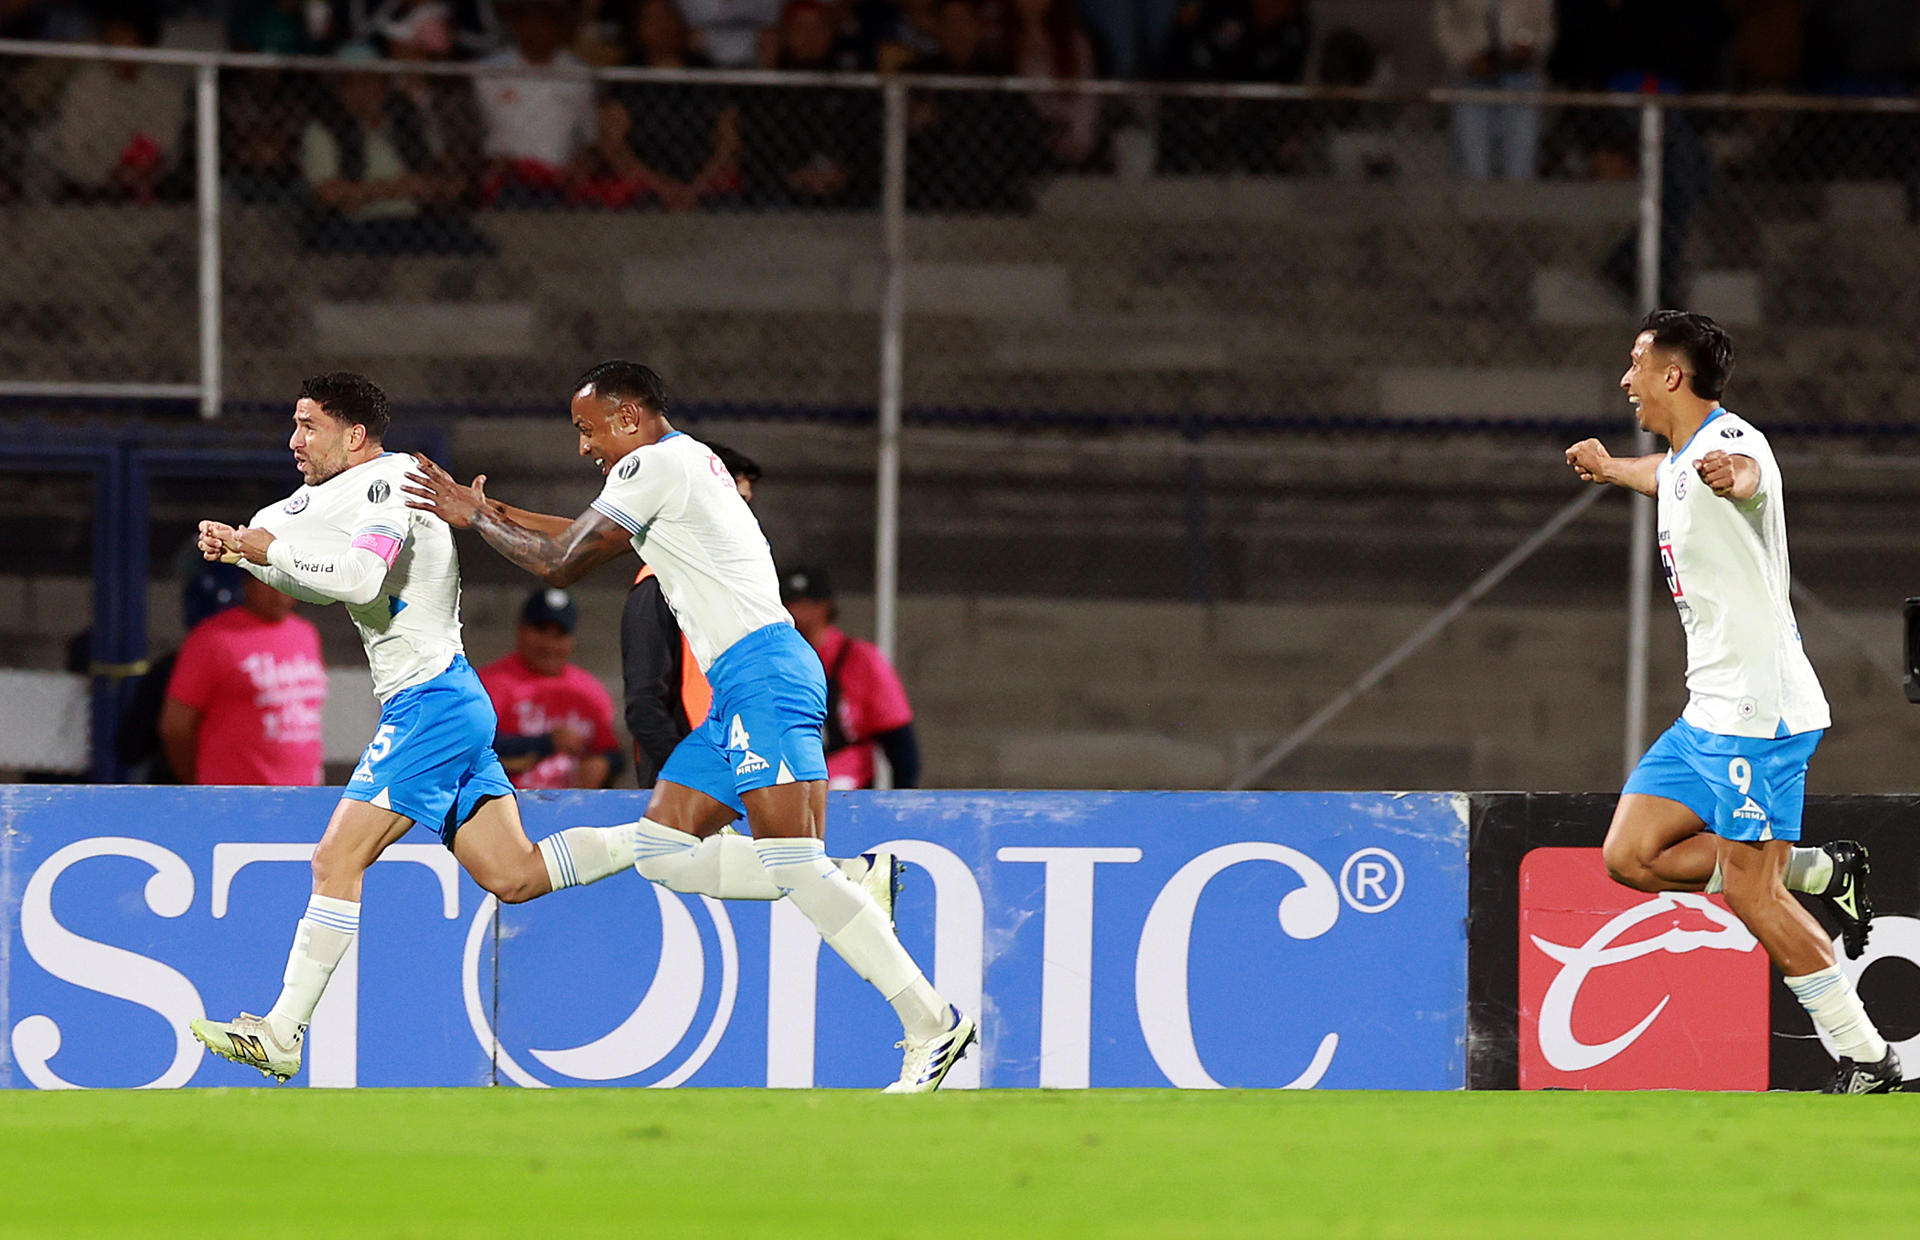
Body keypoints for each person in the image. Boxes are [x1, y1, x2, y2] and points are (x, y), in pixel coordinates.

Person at [182, 372, 892, 1083]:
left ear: (354, 434)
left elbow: (361, 579)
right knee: (515, 876)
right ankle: (834, 878)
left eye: (308, 426)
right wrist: (247, 548)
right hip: (445, 701)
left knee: (336, 861)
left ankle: (282, 1031)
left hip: (429, 704)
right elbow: (311, 569)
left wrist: (264, 550)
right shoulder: (329, 494)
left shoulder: (391, 483)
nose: (294, 439)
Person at [403, 359, 974, 1092]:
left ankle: (931, 1022)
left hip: (765, 676)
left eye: (588, 429)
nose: (584, 448)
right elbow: (577, 536)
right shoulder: (680, 464)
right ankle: (852, 883)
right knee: (667, 853)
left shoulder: (652, 464)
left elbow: (561, 564)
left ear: (630, 418)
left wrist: (475, 518)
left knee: (793, 863)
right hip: (743, 689)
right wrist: (487, 510)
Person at [1564, 311, 1898, 1095]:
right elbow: (1671, 475)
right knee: (1630, 856)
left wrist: (1731, 480)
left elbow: (1738, 475)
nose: (1626, 379)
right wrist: (1617, 467)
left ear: (1672, 376)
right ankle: (1821, 869)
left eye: (1636, 364)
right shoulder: (1682, 457)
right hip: (1704, 715)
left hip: (1760, 716)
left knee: (1755, 895)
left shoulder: (1733, 447)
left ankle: (1867, 1057)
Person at [622, 441, 760, 787]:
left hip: (737, 779)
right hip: (689, 793)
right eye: (736, 503)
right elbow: (645, 707)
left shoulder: (732, 588)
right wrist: (695, 779)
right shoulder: (657, 587)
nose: (747, 518)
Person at [160, 575, 329, 787]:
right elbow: (176, 726)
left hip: (302, 792)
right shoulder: (212, 638)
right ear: (247, 583)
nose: (279, 592)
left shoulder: (306, 634)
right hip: (234, 794)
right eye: (268, 581)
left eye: (287, 581)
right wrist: (200, 782)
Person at [780, 566, 920, 791]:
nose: (795, 613)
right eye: (787, 605)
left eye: (805, 605)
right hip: (784, 781)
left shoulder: (860, 659)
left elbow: (899, 742)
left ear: (825, 607)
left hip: (846, 783)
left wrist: (899, 805)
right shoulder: (772, 663)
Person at [480, 587, 622, 789]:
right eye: (540, 631)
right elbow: (472, 747)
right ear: (521, 630)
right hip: (508, 805)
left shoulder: (589, 690)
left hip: (574, 808)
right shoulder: (490, 683)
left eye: (559, 635)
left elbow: (611, 751)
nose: (549, 644)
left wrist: (604, 763)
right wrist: (544, 743)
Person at [474, 0, 597, 206]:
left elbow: (590, 138)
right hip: (505, 181)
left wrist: (578, 167)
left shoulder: (579, 74)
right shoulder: (487, 73)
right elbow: (469, 134)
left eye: (544, 20)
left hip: (562, 182)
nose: (535, 28)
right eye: (527, 19)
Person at [1435, 0, 1551, 182]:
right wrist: (1465, 58)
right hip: (1471, 82)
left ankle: (1518, 209)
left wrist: (1530, 48)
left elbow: (1545, 27)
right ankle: (1475, 209)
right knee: (1473, 169)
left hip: (1520, 81)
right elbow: (1443, 25)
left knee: (1520, 169)